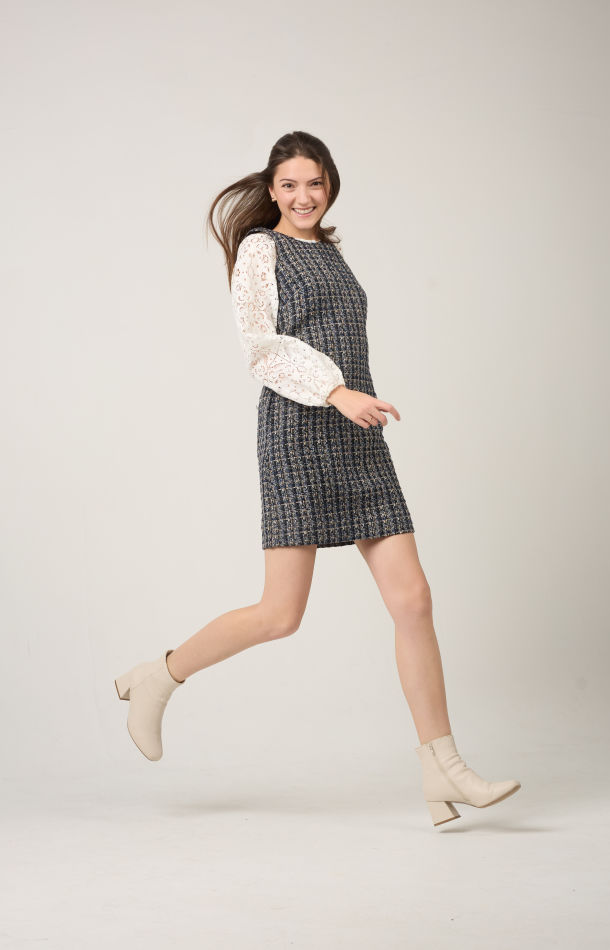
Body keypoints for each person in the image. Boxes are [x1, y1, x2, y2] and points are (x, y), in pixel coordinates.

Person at [114, 130, 521, 828]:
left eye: (315, 183)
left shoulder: (329, 251)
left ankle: (442, 767)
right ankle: (160, 675)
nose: (304, 196)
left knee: (413, 600)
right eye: (290, 185)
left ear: (329, 185)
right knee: (281, 614)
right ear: (272, 190)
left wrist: (349, 401)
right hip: (298, 431)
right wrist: (335, 392)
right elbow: (262, 347)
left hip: (356, 431)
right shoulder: (259, 249)